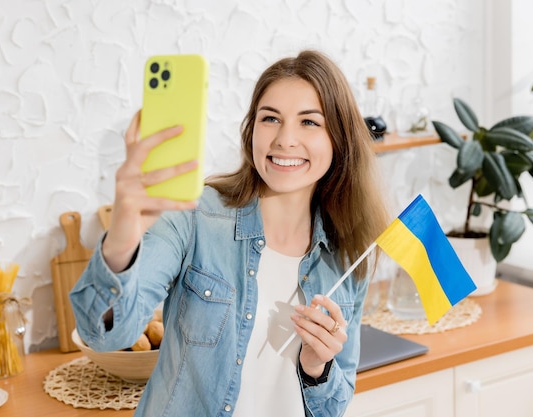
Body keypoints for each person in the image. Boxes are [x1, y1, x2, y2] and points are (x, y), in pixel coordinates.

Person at [70, 49, 389, 417]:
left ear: (339, 139)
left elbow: (334, 406)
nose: (285, 139)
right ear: (251, 129)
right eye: (271, 118)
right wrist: (123, 236)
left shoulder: (348, 250)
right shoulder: (194, 215)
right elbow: (106, 334)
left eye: (309, 122)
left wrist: (317, 368)